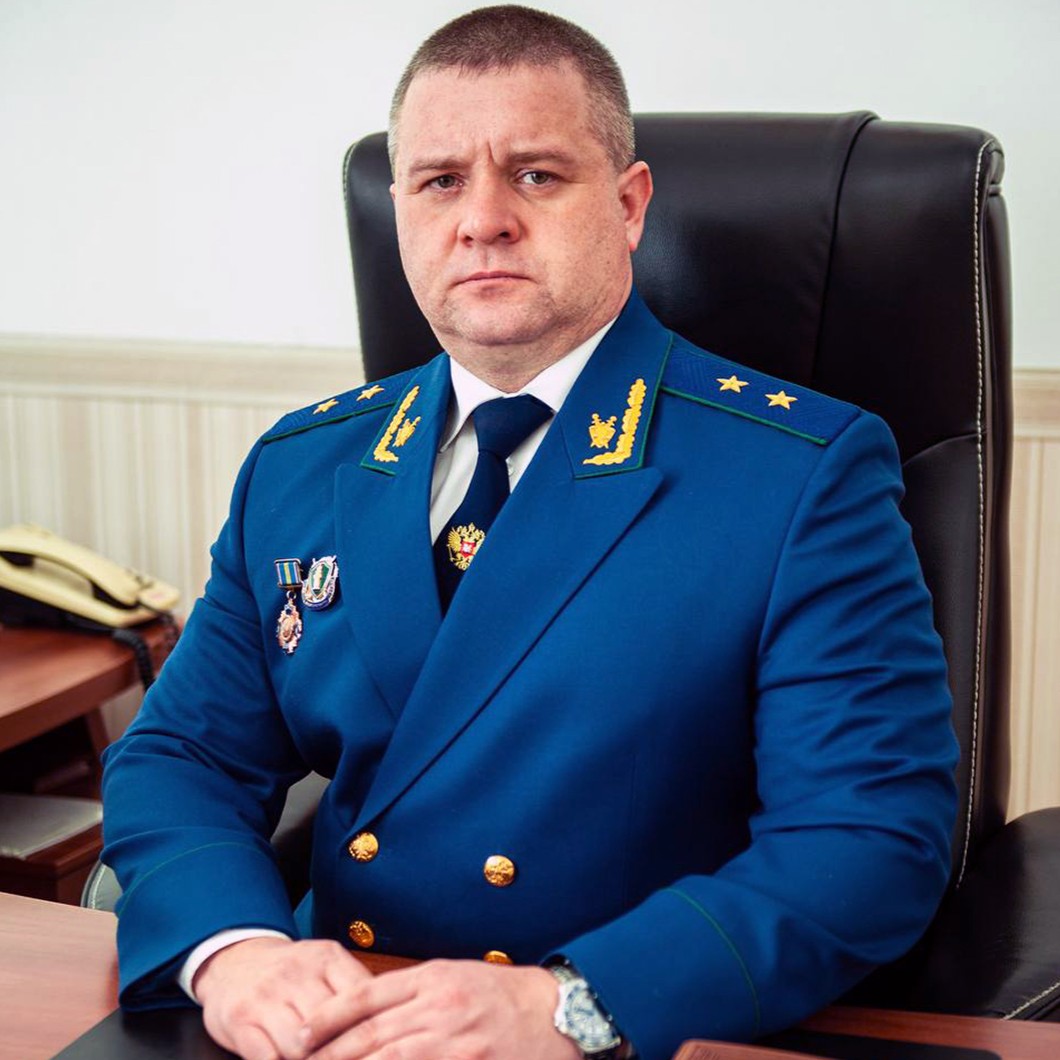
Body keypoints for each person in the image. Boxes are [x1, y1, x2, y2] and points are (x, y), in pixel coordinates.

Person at [101, 6, 959, 1060]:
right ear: (399, 212)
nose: (483, 220)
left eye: (536, 175)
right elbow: (184, 754)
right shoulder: (302, 464)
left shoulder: (799, 474)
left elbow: (867, 838)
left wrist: (574, 1005)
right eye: (439, 180)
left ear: (629, 205)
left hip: (632, 1029)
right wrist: (231, 950)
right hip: (340, 1021)